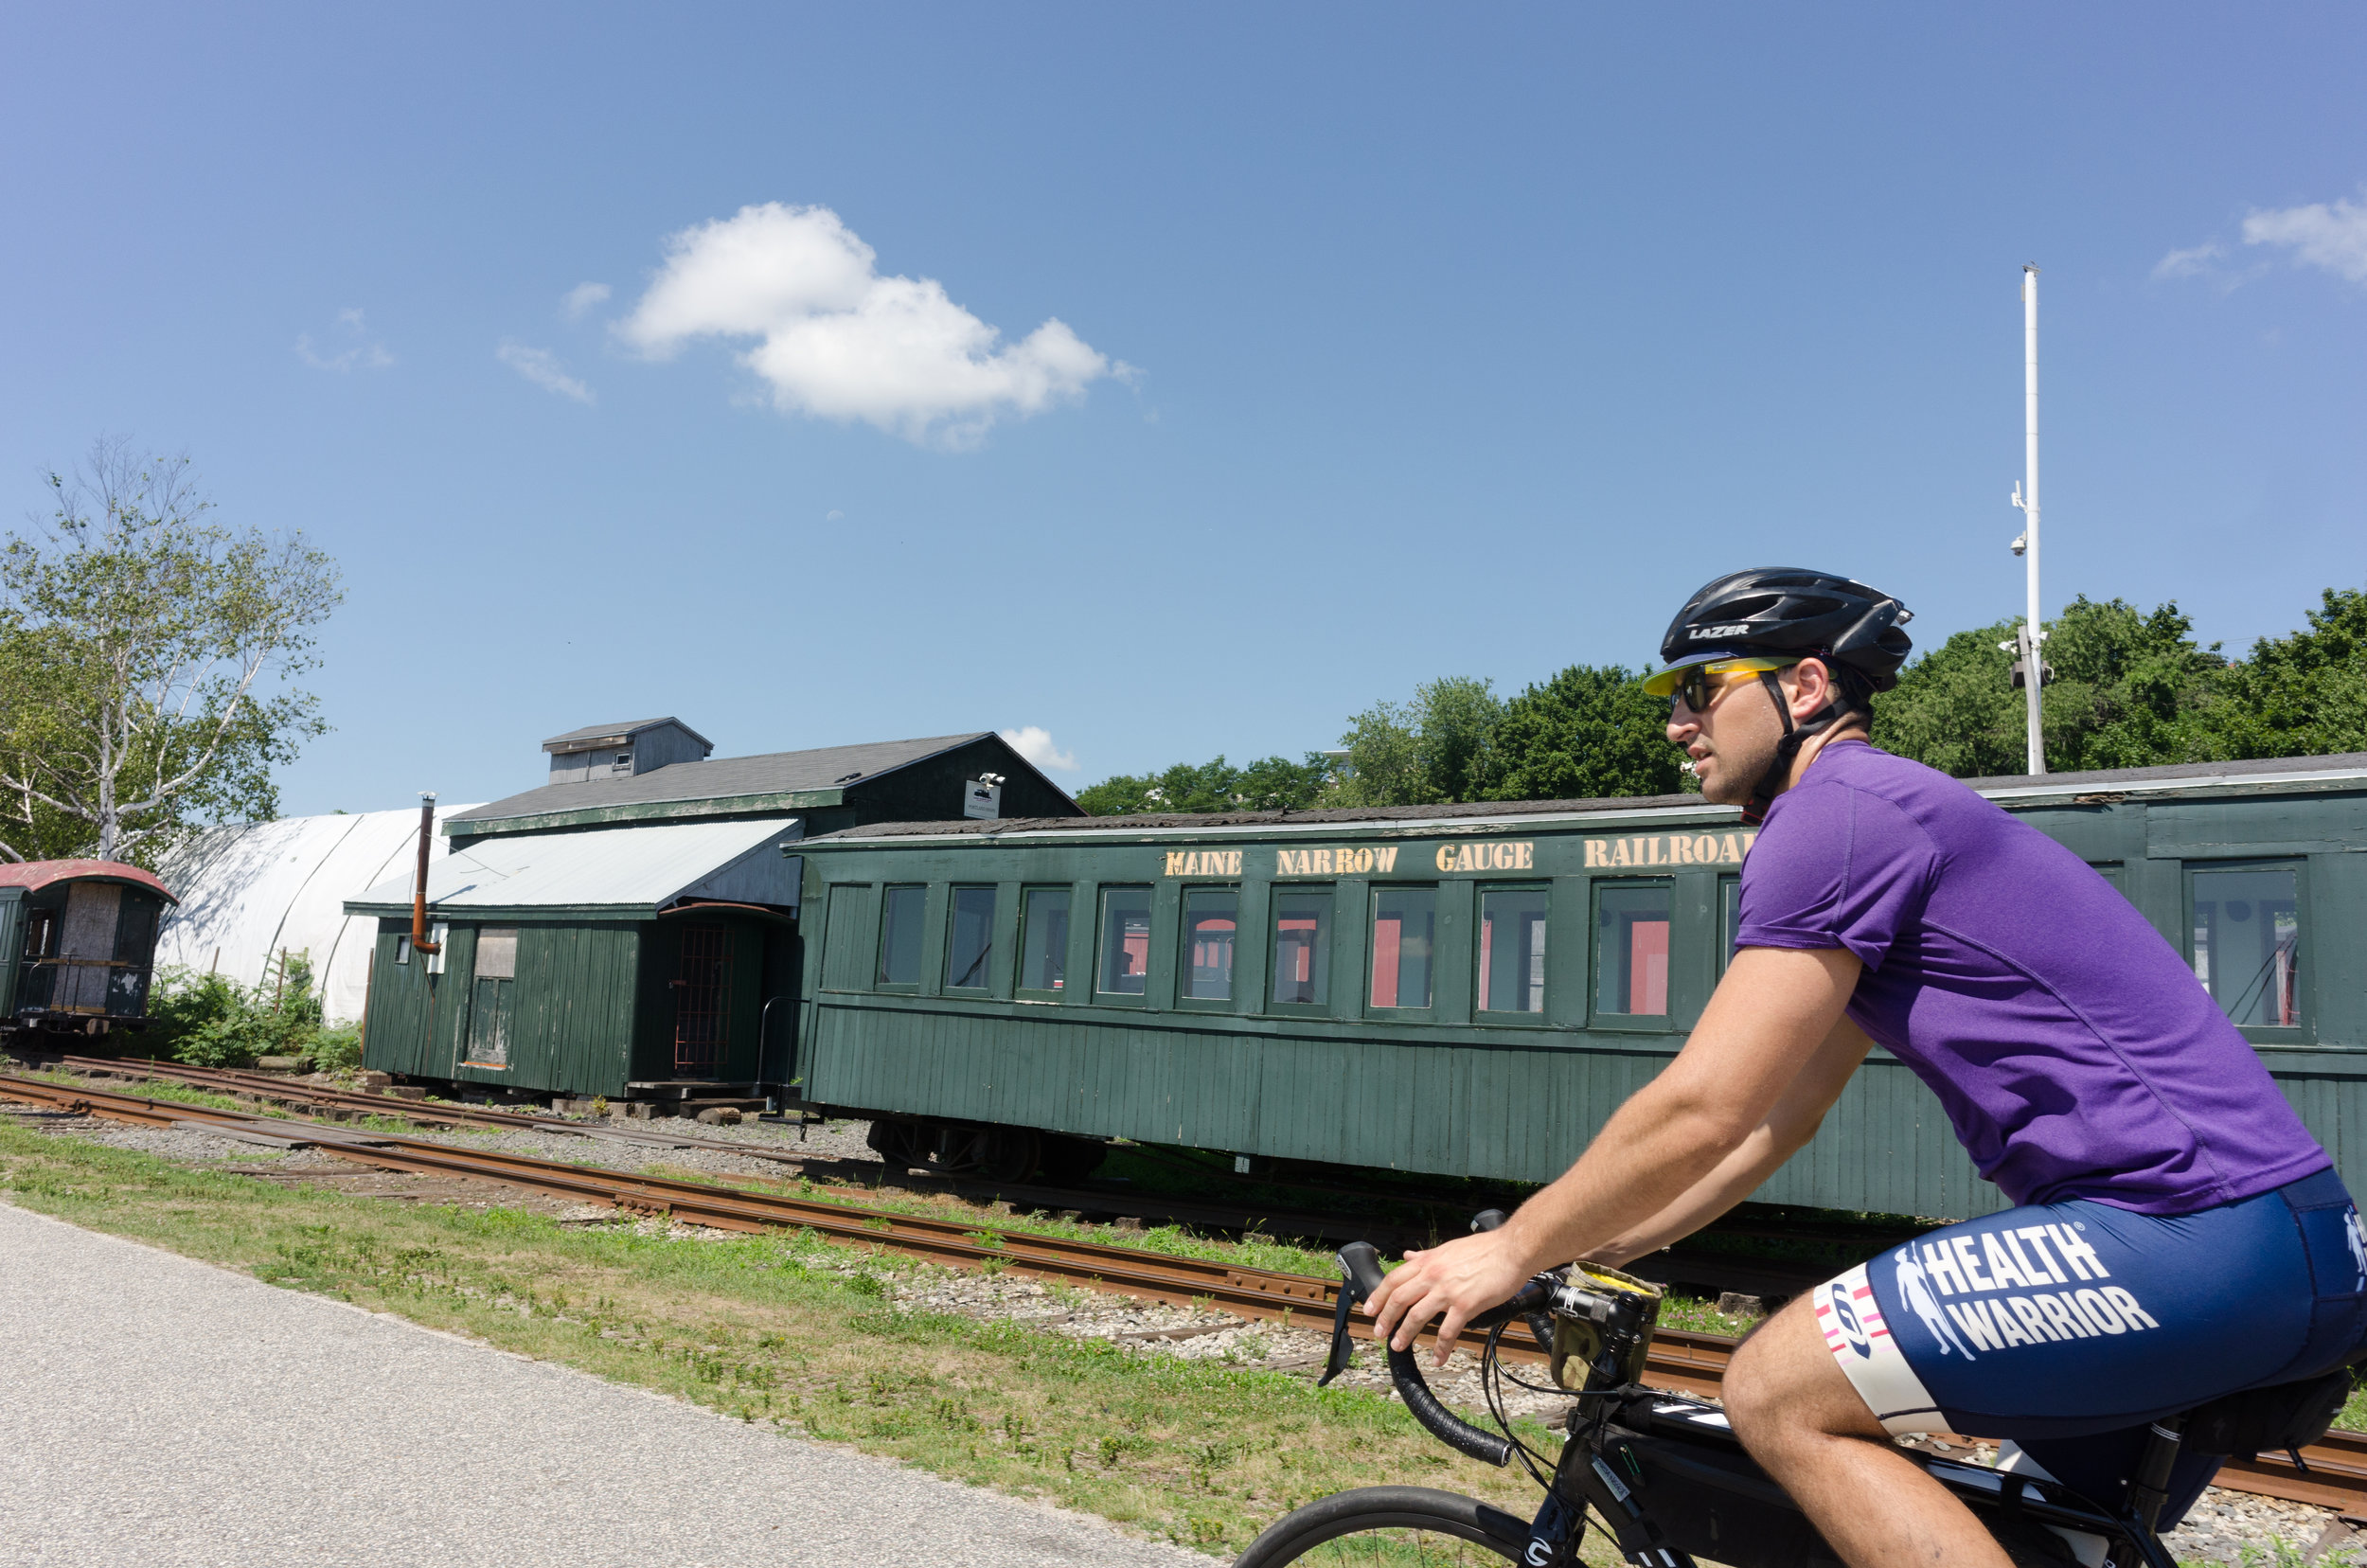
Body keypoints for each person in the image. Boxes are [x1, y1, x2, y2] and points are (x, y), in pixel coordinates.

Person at [1364, 567, 2366, 1568]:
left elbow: (1706, 1104)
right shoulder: (1884, 813)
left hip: (2181, 1229)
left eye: (1698, 690)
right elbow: (1776, 1120)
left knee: (1773, 1392)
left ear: (1802, 689)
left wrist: (1514, 1247)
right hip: (2282, 1241)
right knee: (2047, 1543)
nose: (1676, 723)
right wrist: (1588, 1254)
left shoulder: (1833, 815)